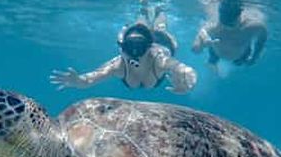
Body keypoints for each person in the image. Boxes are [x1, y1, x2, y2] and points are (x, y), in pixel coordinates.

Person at [50, 8, 197, 94]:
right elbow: (89, 80)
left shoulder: (159, 60)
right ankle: (143, 11)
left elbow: (181, 68)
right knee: (140, 24)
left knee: (160, 28)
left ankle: (160, 11)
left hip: (163, 41)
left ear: (148, 47)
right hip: (146, 42)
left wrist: (187, 76)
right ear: (122, 48)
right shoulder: (118, 65)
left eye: (139, 46)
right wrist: (78, 81)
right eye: (129, 46)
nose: (134, 51)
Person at [191, 0, 268, 74]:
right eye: (223, 24)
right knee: (213, 55)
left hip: (241, 55)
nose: (226, 28)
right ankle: (212, 62)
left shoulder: (255, 27)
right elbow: (195, 49)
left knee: (240, 63)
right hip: (216, 51)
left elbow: (261, 42)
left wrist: (254, 57)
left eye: (231, 25)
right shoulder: (211, 27)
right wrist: (202, 45)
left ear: (240, 15)